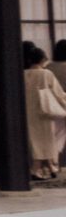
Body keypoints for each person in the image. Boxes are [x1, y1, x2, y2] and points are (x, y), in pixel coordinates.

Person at [30, 42, 66, 182]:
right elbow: (59, 93)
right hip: (58, 106)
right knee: (57, 137)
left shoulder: (50, 67)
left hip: (44, 109)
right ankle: (51, 165)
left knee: (51, 137)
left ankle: (49, 165)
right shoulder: (46, 73)